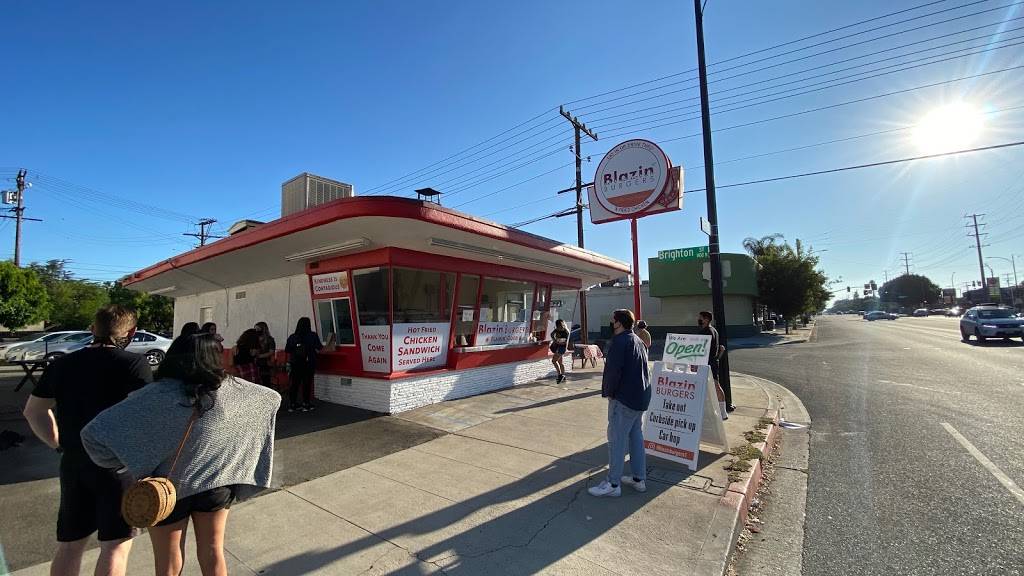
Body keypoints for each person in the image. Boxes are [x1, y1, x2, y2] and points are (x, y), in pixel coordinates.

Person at [81, 333, 280, 576]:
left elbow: (93, 434)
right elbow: (272, 399)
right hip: (216, 485)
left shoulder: (153, 395)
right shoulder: (233, 390)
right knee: (213, 551)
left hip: (166, 488)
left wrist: (127, 462)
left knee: (168, 560)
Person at [21, 305, 153, 576]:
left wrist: (57, 443)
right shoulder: (133, 364)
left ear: (93, 330)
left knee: (70, 545)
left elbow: (33, 411)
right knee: (115, 545)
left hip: (73, 463)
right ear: (131, 333)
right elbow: (146, 419)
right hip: (117, 467)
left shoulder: (62, 364)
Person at [589, 309, 650, 498]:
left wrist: (609, 393)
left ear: (618, 323)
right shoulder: (638, 341)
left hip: (623, 399)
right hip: (640, 397)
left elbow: (613, 372)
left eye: (613, 320)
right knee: (635, 437)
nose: (611, 323)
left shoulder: (619, 341)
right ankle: (639, 479)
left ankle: (613, 483)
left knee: (616, 441)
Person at [285, 317, 332, 412]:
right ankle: (306, 404)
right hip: (308, 363)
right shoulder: (312, 335)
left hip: (295, 363)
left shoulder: (292, 337)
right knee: (307, 384)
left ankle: (292, 404)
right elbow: (320, 348)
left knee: (294, 384)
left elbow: (287, 350)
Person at [698, 310, 731, 419]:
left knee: (715, 386)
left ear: (706, 319)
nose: (699, 320)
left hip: (707, 363)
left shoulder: (706, 332)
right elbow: (719, 348)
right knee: (714, 386)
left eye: (701, 318)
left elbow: (702, 349)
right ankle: (722, 411)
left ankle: (722, 412)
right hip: (712, 362)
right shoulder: (714, 331)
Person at [254, 321, 277, 388]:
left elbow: (271, 352)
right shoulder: (255, 339)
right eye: (255, 329)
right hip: (255, 363)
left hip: (265, 364)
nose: (256, 330)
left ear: (263, 329)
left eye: (257, 329)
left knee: (266, 382)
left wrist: (260, 356)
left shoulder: (270, 339)